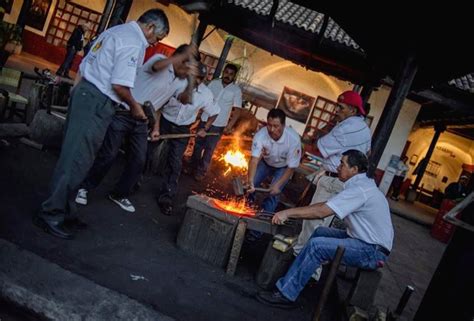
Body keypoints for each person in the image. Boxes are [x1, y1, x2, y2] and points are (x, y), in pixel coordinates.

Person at [34, 9, 170, 240]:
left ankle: (66, 209)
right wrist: (136, 109)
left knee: (82, 158)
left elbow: (87, 62)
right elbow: (119, 85)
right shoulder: (133, 42)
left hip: (88, 94)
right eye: (157, 38)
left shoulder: (116, 31)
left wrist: (77, 92)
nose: (155, 43)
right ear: (150, 28)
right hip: (97, 100)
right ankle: (51, 213)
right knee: (75, 159)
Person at [256, 150, 394, 309]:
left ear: (354, 170)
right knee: (319, 233)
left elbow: (321, 211)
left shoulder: (359, 190)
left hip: (372, 251)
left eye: (343, 164)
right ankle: (301, 278)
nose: (338, 167)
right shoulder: (359, 185)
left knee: (318, 246)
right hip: (363, 241)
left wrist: (288, 212)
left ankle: (285, 294)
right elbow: (323, 206)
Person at [74, 44, 195, 213]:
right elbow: (155, 67)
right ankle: (85, 187)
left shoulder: (181, 81)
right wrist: (181, 56)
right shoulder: (159, 60)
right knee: (109, 154)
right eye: (187, 64)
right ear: (179, 59)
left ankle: (119, 194)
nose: (188, 69)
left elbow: (182, 100)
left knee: (139, 160)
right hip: (125, 111)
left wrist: (191, 81)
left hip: (143, 120)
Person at [293, 90, 371, 255]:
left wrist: (303, 142)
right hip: (345, 182)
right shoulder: (364, 127)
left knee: (313, 221)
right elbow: (368, 153)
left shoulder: (346, 127)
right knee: (322, 223)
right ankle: (308, 256)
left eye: (340, 107)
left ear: (353, 110)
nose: (336, 110)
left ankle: (300, 257)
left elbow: (320, 148)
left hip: (333, 181)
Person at [155, 63, 219, 215]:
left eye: (200, 78)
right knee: (145, 150)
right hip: (163, 120)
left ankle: (166, 198)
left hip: (183, 128)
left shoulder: (206, 94)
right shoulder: (176, 83)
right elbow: (158, 104)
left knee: (175, 163)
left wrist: (205, 128)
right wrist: (156, 128)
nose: (196, 80)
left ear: (204, 79)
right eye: (194, 76)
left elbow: (215, 112)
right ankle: (131, 182)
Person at [187, 63, 242, 181]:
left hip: (219, 125)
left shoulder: (236, 90)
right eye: (226, 72)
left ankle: (201, 172)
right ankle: (192, 167)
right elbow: (204, 99)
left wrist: (229, 126)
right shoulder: (214, 83)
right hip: (205, 119)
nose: (228, 75)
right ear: (223, 72)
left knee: (209, 149)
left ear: (234, 76)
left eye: (231, 74)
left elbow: (237, 110)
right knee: (197, 145)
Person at [247, 108, 301, 214]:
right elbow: (254, 160)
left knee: (274, 193)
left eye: (276, 126)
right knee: (251, 184)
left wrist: (277, 185)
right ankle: (246, 208)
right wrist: (250, 180)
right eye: (269, 125)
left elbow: (291, 167)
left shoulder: (293, 139)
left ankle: (263, 219)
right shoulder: (260, 135)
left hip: (283, 167)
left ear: (283, 125)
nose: (272, 130)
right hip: (266, 163)